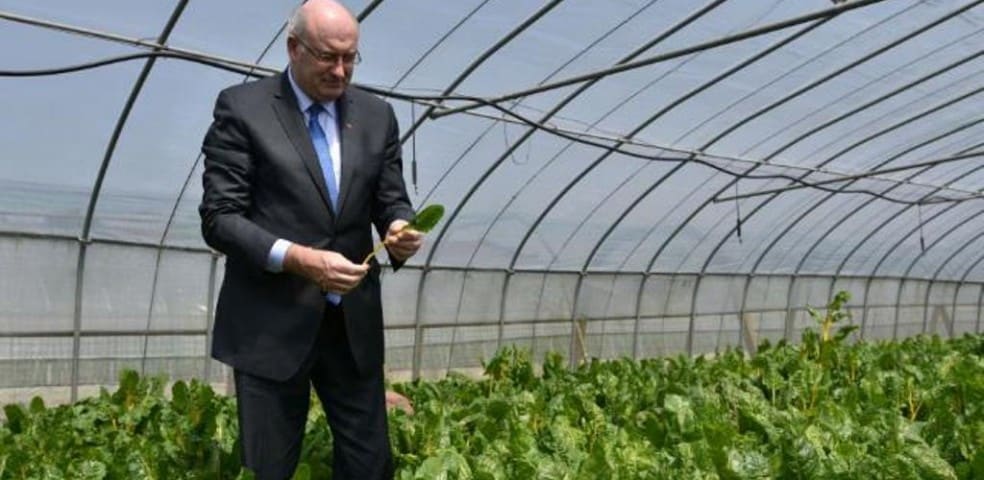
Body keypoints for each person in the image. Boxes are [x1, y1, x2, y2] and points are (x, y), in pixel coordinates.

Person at [198, 1, 421, 478]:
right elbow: (220, 218)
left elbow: (391, 199)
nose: (340, 71)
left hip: (351, 327)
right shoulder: (244, 108)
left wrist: (399, 229)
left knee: (369, 464)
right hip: (270, 325)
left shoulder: (377, 116)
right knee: (269, 467)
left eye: (350, 58)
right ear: (294, 48)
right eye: (327, 57)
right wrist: (299, 259)